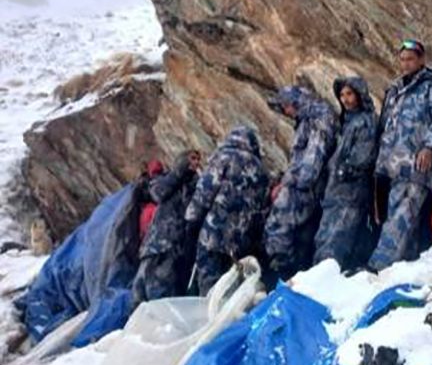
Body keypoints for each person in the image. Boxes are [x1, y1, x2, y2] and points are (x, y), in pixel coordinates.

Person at [367, 39, 432, 272]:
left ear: (421, 59)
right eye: (402, 59)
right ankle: (405, 268)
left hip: (416, 165)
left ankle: (378, 267)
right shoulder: (395, 90)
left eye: (410, 59)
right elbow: (385, 125)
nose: (405, 64)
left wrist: (429, 147)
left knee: (401, 217)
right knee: (402, 219)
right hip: (391, 166)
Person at [264, 83, 337, 281]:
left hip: (304, 187)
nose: (286, 111)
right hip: (303, 184)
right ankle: (292, 278)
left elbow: (314, 155)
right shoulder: (306, 119)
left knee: (277, 228)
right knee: (301, 236)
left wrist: (293, 183)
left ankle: (282, 276)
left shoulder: (317, 116)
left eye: (287, 106)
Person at [186, 126, 270, 295]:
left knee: (210, 290)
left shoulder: (223, 158)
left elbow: (204, 193)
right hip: (241, 243)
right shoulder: (262, 171)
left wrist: (190, 221)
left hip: (214, 236)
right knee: (230, 290)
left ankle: (211, 319)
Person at [314, 76, 378, 271]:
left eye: (349, 94)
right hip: (335, 193)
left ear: (359, 95)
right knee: (324, 238)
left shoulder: (366, 121)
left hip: (351, 194)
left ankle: (326, 280)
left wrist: (342, 172)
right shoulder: (347, 122)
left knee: (336, 239)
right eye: (341, 95)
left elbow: (362, 158)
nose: (345, 99)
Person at [131, 149, 201, 304]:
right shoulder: (169, 181)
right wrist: (178, 174)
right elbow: (157, 192)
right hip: (154, 247)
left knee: (161, 298)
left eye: (198, 160)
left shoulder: (196, 185)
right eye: (192, 159)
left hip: (173, 252)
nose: (196, 163)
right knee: (137, 297)